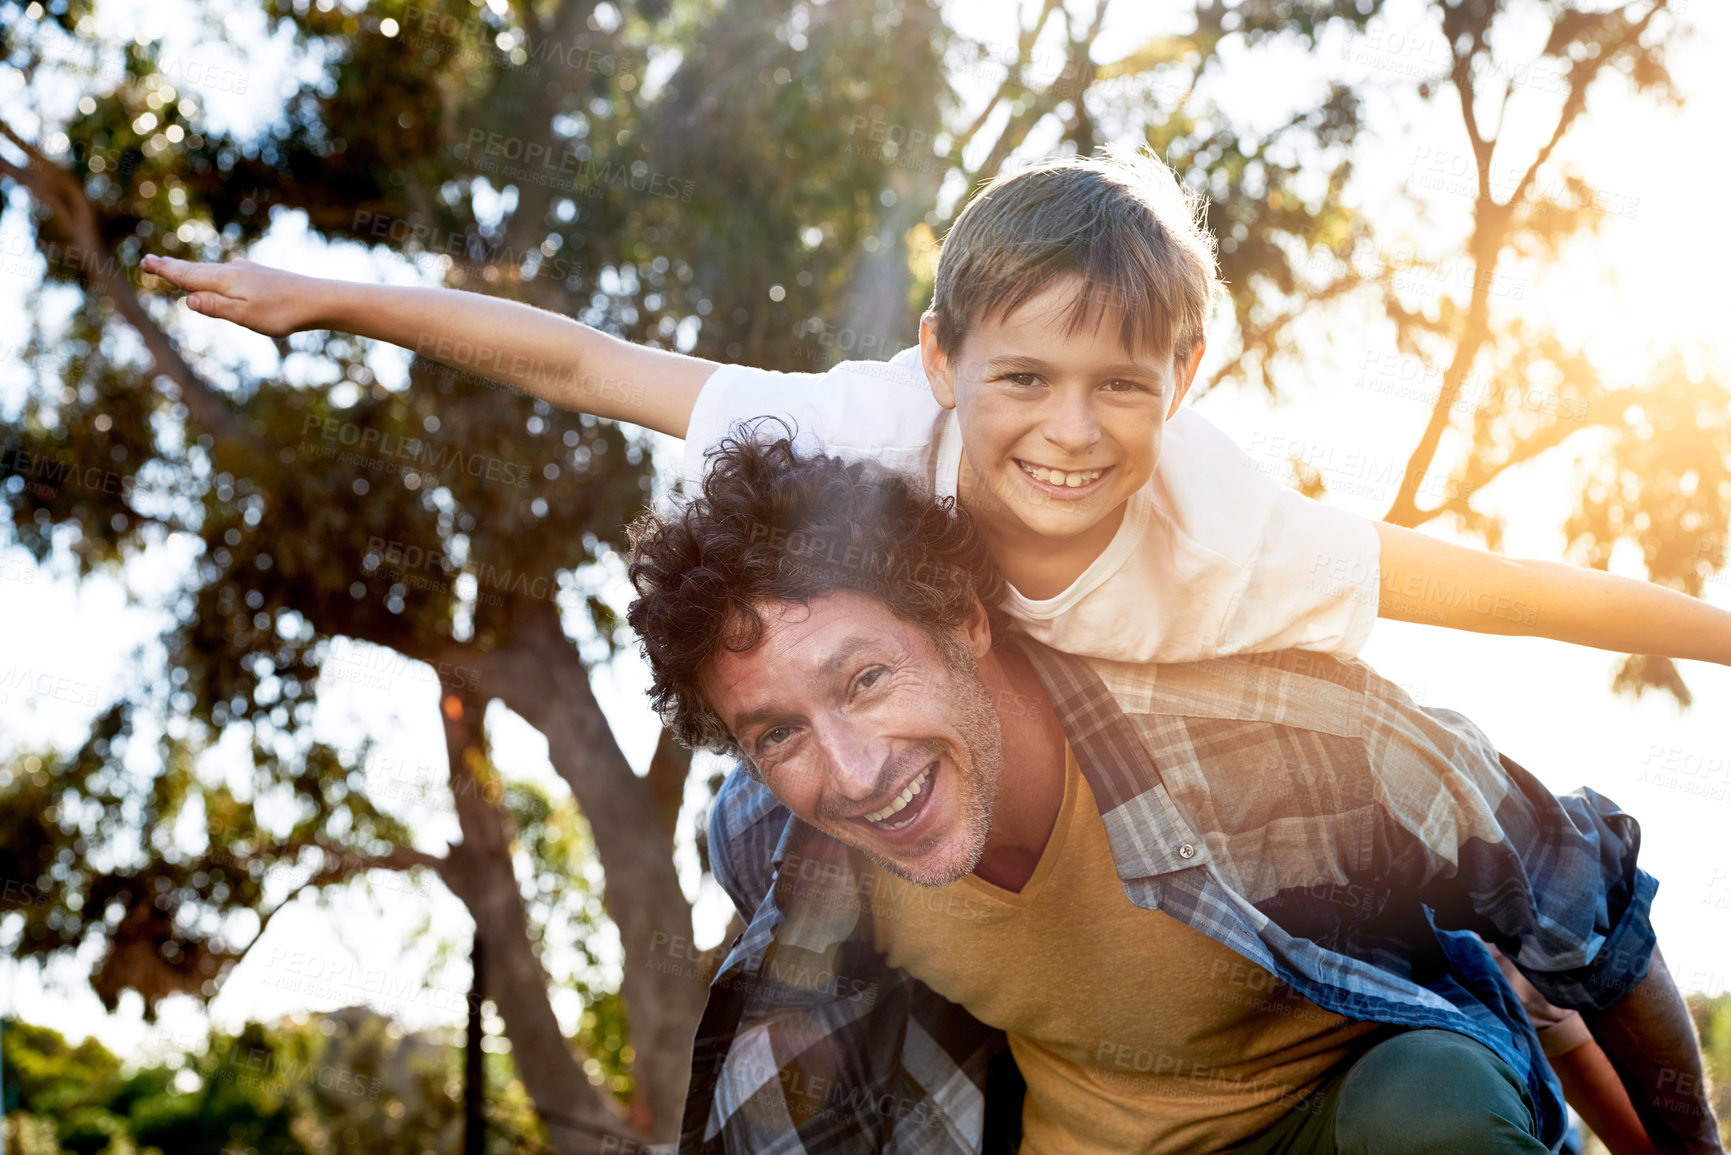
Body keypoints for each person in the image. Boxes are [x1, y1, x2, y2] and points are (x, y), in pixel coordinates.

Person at [139, 148, 1731, 675]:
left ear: (1185, 388)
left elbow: (1504, 590)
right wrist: (328, 295)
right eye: (1021, 376)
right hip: (959, 764)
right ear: (937, 361)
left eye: (1123, 385)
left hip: (1176, 741)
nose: (1069, 427)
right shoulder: (857, 426)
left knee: (1514, 884)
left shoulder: (1231, 528)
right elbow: (582, 363)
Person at [623, 430, 1722, 1154]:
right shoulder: (775, 833)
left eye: (866, 678)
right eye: (778, 733)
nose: (854, 775)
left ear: (963, 616)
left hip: (1341, 1119)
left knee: (1431, 1109)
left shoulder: (1280, 732)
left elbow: (1588, 896)